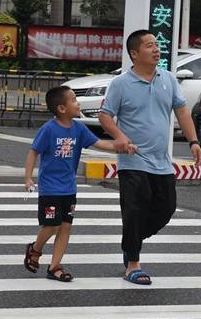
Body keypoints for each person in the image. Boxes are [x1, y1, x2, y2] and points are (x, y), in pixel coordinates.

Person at [98, 30, 201, 286]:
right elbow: (105, 116)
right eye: (149, 46)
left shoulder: (168, 78)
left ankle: (130, 243)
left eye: (157, 45)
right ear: (134, 53)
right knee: (134, 210)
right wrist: (120, 138)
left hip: (161, 161)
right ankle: (133, 263)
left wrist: (194, 142)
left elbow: (182, 112)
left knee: (165, 210)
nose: (156, 49)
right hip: (132, 160)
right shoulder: (121, 84)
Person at [24, 85, 135, 282]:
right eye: (74, 99)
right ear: (62, 108)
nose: (78, 103)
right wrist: (28, 178)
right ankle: (35, 249)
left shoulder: (79, 129)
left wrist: (121, 147)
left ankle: (55, 266)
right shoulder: (49, 129)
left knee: (65, 226)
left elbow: (100, 144)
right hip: (50, 187)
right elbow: (34, 151)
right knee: (50, 225)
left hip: (69, 188)